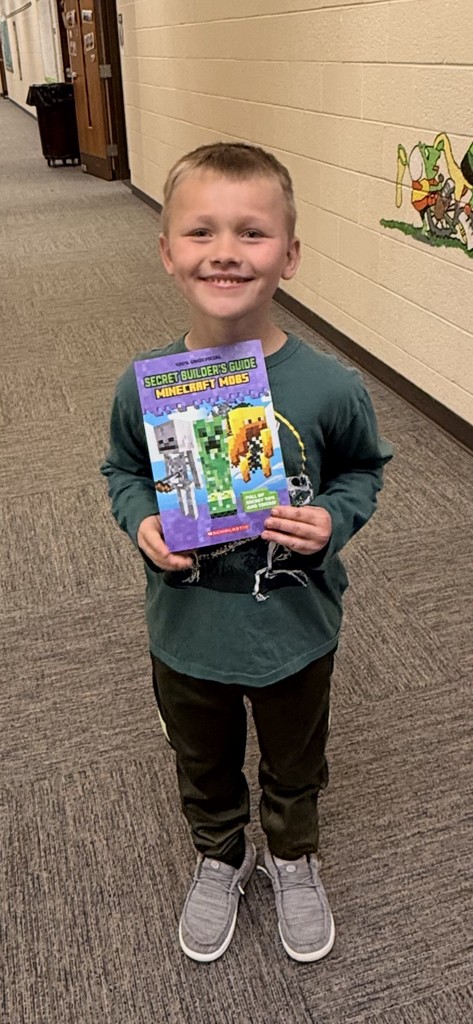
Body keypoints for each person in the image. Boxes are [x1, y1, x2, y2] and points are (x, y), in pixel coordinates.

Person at [101, 142, 392, 965]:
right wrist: (140, 520)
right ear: (167, 252)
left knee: (297, 757)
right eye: (199, 232)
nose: (225, 250)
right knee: (203, 759)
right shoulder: (145, 383)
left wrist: (333, 520)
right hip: (186, 631)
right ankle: (220, 853)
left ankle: (291, 853)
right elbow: (123, 468)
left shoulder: (331, 387)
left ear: (289, 256)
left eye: (252, 233)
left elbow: (365, 471)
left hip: (295, 627)